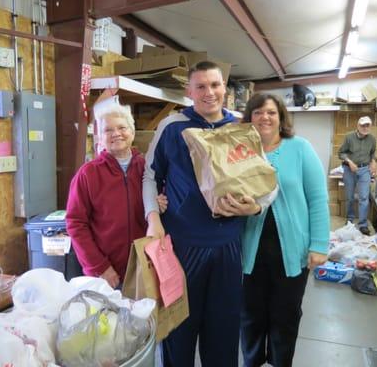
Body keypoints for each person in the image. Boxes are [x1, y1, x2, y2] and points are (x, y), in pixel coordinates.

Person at [143, 61, 261, 367]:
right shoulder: (172, 126)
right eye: (201, 86)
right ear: (189, 91)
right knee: (178, 331)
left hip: (227, 244)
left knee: (223, 332)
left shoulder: (240, 129)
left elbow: (260, 179)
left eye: (215, 85)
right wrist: (153, 216)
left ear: (224, 87)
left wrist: (258, 205)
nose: (210, 93)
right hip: (182, 245)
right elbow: (150, 176)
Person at [240, 93, 329, 367]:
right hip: (250, 251)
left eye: (270, 112)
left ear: (281, 118)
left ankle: (281, 362)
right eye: (257, 112)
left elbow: (318, 199)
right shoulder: (240, 151)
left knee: (285, 316)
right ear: (249, 118)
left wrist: (320, 245)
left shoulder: (300, 148)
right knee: (250, 316)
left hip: (291, 251)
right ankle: (252, 361)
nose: (264, 117)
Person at [66, 101, 166, 288]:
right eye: (108, 130)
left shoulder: (149, 170)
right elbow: (76, 224)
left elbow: (160, 209)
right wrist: (100, 267)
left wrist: (159, 205)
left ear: (132, 132)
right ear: (100, 137)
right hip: (107, 275)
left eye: (122, 127)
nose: (116, 134)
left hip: (144, 267)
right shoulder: (88, 174)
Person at [338, 116, 377, 235]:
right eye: (363, 125)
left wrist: (374, 161)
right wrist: (350, 162)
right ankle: (349, 219)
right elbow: (341, 153)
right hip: (350, 170)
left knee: (364, 198)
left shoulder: (372, 139)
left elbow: (373, 153)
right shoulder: (349, 137)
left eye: (367, 125)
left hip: (364, 170)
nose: (365, 128)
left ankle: (363, 224)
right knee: (350, 197)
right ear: (358, 126)